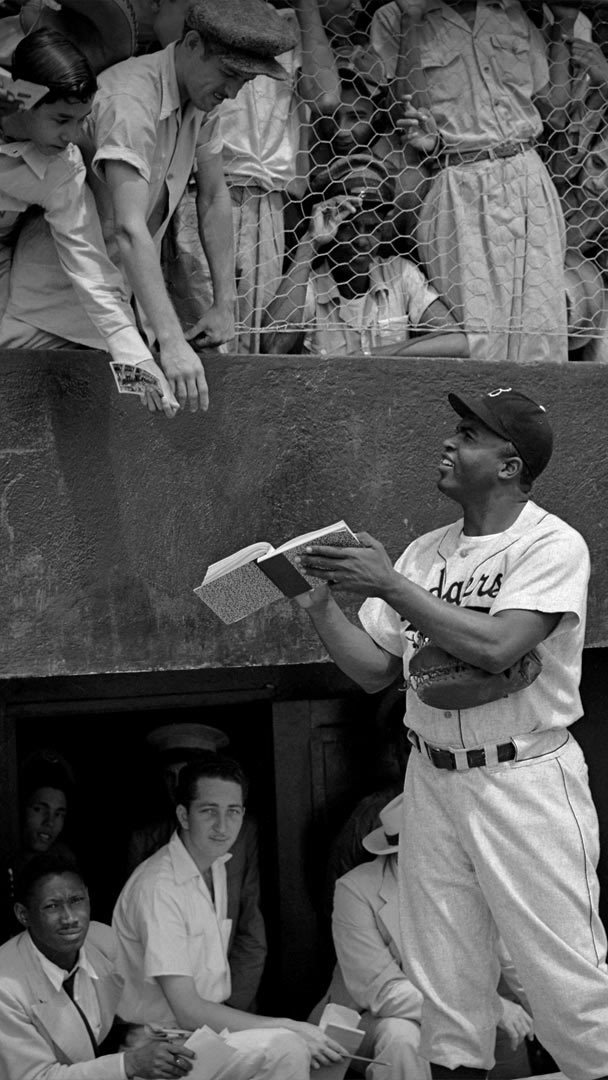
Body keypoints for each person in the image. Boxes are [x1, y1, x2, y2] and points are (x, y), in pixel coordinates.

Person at [294, 386, 608, 1078]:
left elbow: (499, 646)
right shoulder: (423, 552)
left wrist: (388, 585)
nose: (449, 442)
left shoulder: (551, 544)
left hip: (523, 775)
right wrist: (321, 609)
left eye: (468, 433)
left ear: (507, 463)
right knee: (448, 995)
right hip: (432, 774)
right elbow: (378, 670)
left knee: (568, 991)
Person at [2, 0, 295, 414]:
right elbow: (129, 228)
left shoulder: (203, 103)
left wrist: (223, 305)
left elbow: (213, 197)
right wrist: (170, 341)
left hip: (113, 307)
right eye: (229, 74)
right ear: (193, 44)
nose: (232, 92)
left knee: (141, 413)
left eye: (244, 82)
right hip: (50, 307)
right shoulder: (130, 101)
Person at [113, 756, 346, 1078]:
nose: (223, 826)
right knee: (286, 1045)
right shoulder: (158, 887)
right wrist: (287, 1025)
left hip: (202, 1038)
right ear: (183, 814)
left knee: (309, 1045)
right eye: (209, 811)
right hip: (160, 1047)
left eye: (232, 812)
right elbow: (187, 1009)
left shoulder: (216, 866)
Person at [370, 0, 577, 363]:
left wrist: (563, 26)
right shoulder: (394, 16)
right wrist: (411, 19)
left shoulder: (512, 14)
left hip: (528, 177)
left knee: (541, 329)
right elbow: (405, 109)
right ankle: (481, 418)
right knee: (479, 335)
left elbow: (556, 110)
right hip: (459, 184)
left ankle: (533, 416)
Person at [149, 0, 340, 355]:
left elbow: (326, 97)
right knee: (199, 329)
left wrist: (307, 9)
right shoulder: (207, 14)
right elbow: (167, 33)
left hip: (265, 197)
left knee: (251, 340)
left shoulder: (284, 29)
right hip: (198, 189)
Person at [0, 28, 175, 413]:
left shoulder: (62, 170)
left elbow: (91, 271)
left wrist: (137, 357)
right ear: (25, 98)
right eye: (62, 119)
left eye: (80, 120)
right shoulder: (10, 91)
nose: (72, 135)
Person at [330, 795, 533, 1080]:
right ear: (403, 851)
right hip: (375, 1016)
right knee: (401, 1036)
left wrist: (572, 1015)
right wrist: (487, 1009)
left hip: (467, 1014)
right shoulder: (354, 890)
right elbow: (382, 991)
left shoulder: (471, 879)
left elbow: (515, 961)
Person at [0, 851, 196, 1079]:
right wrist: (128, 1065)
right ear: (23, 915)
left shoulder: (102, 941)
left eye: (76, 900)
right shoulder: (5, 988)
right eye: (52, 906)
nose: (70, 918)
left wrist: (140, 1035)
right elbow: (36, 1077)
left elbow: (100, 1026)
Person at [262, 156, 468, 356]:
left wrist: (370, 355)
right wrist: (310, 242)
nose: (361, 240)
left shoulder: (399, 275)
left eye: (372, 228)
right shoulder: (308, 289)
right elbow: (273, 345)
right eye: (349, 227)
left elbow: (456, 341)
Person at [126, 722, 267, 1012]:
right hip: (176, 1019)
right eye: (171, 776)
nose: (221, 825)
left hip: (228, 1005)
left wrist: (232, 1009)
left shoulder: (232, 843)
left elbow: (250, 927)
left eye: (186, 776)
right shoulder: (150, 856)